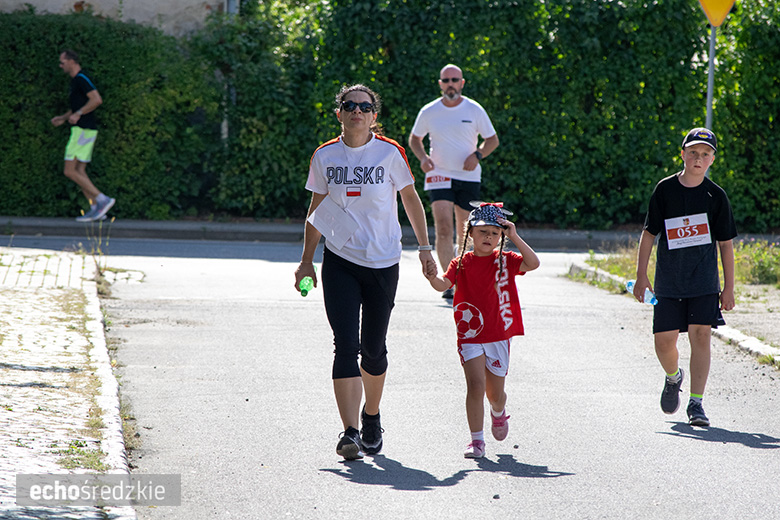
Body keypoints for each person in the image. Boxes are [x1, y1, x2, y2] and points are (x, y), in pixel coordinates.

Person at [294, 84, 436, 460]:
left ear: (375, 114)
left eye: (365, 106)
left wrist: (425, 249)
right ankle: (350, 432)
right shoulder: (324, 156)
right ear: (338, 112)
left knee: (373, 351)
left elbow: (410, 198)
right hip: (339, 259)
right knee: (345, 345)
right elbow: (316, 207)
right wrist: (307, 259)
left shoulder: (391, 153)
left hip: (383, 262)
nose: (357, 110)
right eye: (349, 105)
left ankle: (371, 415)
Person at [633, 127, 737, 427]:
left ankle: (696, 403)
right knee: (664, 342)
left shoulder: (716, 196)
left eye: (705, 154)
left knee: (701, 335)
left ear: (712, 160)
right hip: (668, 281)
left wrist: (729, 287)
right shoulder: (665, 190)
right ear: (682, 154)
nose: (698, 158)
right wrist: (641, 276)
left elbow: (726, 244)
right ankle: (673, 376)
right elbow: (649, 234)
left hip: (704, 281)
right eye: (693, 152)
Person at [424, 202, 539, 458]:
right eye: (482, 231)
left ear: (501, 237)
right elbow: (443, 284)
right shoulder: (461, 262)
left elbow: (533, 263)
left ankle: (498, 412)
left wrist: (514, 235)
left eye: (494, 233)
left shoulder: (506, 261)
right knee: (475, 386)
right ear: (470, 233)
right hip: (470, 335)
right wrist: (432, 276)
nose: (488, 237)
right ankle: (476, 441)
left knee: (494, 393)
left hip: (498, 335)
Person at [409, 64, 499, 299]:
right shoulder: (429, 111)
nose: (451, 84)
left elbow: (492, 140)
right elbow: (414, 139)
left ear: (462, 83)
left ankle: (464, 276)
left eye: (455, 80)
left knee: (466, 230)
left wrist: (477, 155)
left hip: (468, 176)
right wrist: (423, 158)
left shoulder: (474, 109)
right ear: (440, 84)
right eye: (446, 80)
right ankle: (450, 282)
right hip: (438, 175)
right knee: (444, 227)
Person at [50, 50, 115, 222]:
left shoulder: (81, 79)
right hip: (84, 130)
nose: (60, 66)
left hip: (83, 130)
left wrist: (78, 114)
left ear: (72, 61)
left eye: (62, 62)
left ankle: (102, 199)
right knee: (79, 170)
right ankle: (96, 208)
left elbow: (96, 100)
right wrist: (64, 118)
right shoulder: (75, 81)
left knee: (69, 171)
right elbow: (80, 105)